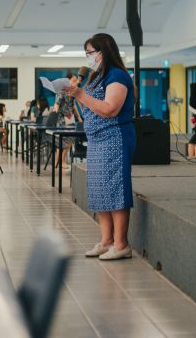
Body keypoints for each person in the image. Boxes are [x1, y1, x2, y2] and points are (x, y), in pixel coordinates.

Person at [64, 33, 136, 261]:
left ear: (104, 51)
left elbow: (110, 109)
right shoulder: (97, 76)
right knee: (99, 190)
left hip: (114, 138)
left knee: (115, 189)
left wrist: (81, 94)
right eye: (86, 53)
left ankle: (121, 244)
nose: (88, 57)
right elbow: (91, 108)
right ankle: (106, 241)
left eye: (91, 53)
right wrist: (76, 95)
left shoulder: (117, 76)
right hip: (96, 140)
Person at [53, 72, 83, 165]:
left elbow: (73, 105)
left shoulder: (72, 92)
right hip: (62, 118)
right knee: (62, 141)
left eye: (76, 80)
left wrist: (79, 117)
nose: (75, 82)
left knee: (70, 140)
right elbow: (56, 103)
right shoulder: (62, 91)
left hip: (70, 118)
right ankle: (58, 162)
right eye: (73, 80)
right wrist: (55, 112)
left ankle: (62, 161)